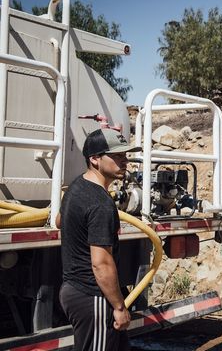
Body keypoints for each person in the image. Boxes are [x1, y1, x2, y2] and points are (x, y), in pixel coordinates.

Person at [59, 129, 141, 350]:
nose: (125, 161)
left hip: (74, 289)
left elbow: (59, 220)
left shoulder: (76, 187)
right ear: (94, 159)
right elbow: (101, 263)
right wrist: (119, 307)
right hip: (92, 295)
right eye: (117, 156)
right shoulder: (100, 203)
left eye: (126, 155)